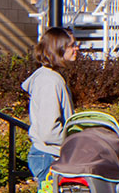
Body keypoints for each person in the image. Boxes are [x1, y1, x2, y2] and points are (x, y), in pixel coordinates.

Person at [23, 27, 79, 179]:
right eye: (72, 45)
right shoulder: (50, 81)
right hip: (49, 157)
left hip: (49, 156)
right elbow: (49, 131)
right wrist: (76, 141)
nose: (76, 48)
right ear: (59, 49)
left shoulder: (51, 77)